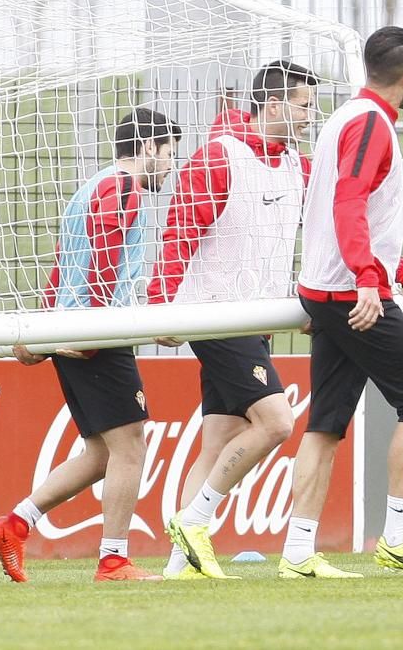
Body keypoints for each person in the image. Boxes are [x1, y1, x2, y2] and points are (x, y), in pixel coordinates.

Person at [282, 26, 403, 579]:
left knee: (326, 423)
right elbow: (349, 201)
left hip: (331, 287)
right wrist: (366, 279)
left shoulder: (344, 117)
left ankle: (298, 553)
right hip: (350, 293)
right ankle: (399, 539)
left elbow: (366, 210)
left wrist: (399, 272)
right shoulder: (371, 124)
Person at [0, 108, 181, 582]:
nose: (172, 167)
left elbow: (61, 263)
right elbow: (104, 267)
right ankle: (113, 560)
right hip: (96, 335)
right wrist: (91, 338)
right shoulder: (124, 190)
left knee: (101, 453)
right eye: (170, 154)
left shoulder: (89, 188)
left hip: (72, 329)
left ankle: (14, 524)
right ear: (149, 148)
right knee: (131, 448)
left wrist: (41, 330)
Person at [147, 61, 318, 580]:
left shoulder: (298, 167)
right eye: (305, 106)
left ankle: (181, 566)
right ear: (272, 105)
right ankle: (195, 520)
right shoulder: (219, 157)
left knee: (220, 439)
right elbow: (179, 230)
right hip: (217, 313)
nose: (312, 117)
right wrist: (161, 302)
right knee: (276, 423)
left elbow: (321, 234)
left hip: (256, 320)